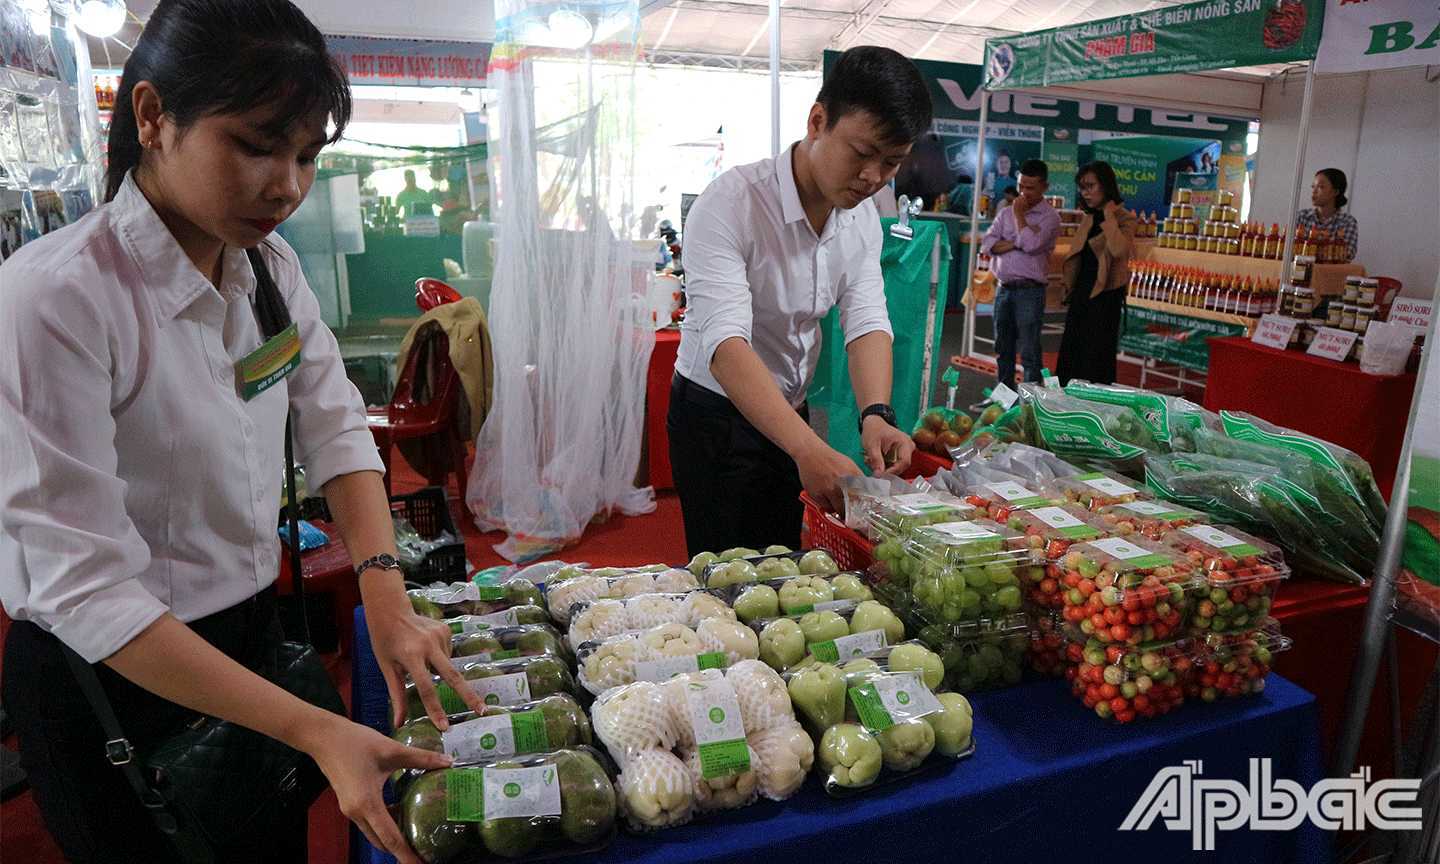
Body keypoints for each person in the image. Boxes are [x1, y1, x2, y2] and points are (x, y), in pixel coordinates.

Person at [0, 3, 484, 863]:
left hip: (253, 638)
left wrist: (386, 596)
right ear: (153, 116)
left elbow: (335, 428)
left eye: (306, 155)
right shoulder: (58, 299)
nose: (287, 185)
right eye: (257, 146)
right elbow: (86, 590)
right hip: (122, 669)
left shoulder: (267, 267)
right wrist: (315, 727)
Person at [667, 45, 931, 558]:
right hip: (717, 416)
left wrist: (876, 414)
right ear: (818, 121)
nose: (873, 177)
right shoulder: (730, 205)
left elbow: (866, 318)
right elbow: (725, 344)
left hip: (791, 410)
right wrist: (808, 448)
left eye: (891, 162)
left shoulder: (860, 216)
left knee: (784, 561)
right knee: (727, 571)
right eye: (862, 153)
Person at [974, 160, 1060, 409]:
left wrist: (1019, 218)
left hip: (1030, 291)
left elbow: (1032, 245)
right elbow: (987, 244)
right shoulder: (1004, 213)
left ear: (1045, 187)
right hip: (1004, 289)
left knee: (1030, 351)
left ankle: (1031, 406)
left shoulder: (1050, 217)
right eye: (1021, 186)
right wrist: (1017, 242)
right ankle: (1003, 401)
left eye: (1030, 188)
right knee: (1003, 349)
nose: (1023, 192)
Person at [1055, 161, 1137, 387]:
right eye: (1082, 188)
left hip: (1106, 294)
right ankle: (1064, 400)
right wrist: (1068, 285)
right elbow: (1077, 256)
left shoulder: (1126, 219)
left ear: (1106, 185)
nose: (1085, 193)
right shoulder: (1089, 217)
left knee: (1098, 357)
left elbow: (1119, 249)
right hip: (1082, 291)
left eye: (1090, 186)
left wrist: (1110, 218)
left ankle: (1098, 403)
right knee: (1071, 352)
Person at [1296, 167, 1358, 264]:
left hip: (1329, 272)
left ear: (1335, 192)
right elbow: (1290, 248)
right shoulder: (1302, 216)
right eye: (1313, 187)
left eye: (1320, 187)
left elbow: (1347, 255)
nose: (1314, 191)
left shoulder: (1347, 222)